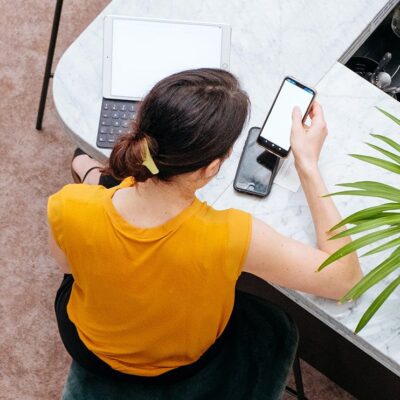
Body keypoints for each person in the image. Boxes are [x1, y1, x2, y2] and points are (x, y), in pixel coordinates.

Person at [48, 68, 362, 381]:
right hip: (185, 364)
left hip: (88, 347)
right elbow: (345, 281)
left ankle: (88, 171)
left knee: (106, 186)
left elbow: (70, 269)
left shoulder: (66, 205)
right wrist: (307, 164)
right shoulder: (233, 235)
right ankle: (93, 172)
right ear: (211, 167)